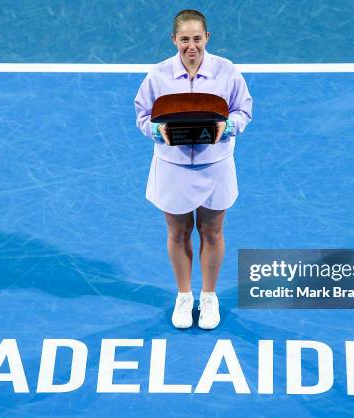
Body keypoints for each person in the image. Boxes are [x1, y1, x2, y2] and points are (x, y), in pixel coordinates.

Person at [134, 9, 252, 330]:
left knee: (212, 232)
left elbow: (244, 111)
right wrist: (159, 132)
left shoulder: (227, 73)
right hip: (172, 168)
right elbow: (143, 117)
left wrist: (226, 127)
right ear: (174, 40)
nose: (191, 46)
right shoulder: (157, 76)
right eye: (184, 39)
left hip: (215, 166)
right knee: (178, 232)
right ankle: (185, 296)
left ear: (207, 38)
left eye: (197, 39)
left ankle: (209, 296)